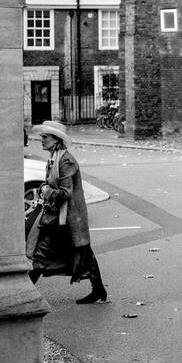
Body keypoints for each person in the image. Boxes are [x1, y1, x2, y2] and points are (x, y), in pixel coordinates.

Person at [26, 121, 108, 304]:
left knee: (42, 254)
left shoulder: (66, 161)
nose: (41, 140)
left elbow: (66, 192)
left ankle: (23, 294)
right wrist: (45, 188)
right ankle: (99, 290)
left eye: (45, 137)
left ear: (56, 140)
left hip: (65, 217)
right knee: (82, 253)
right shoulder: (55, 158)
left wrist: (47, 191)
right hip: (57, 216)